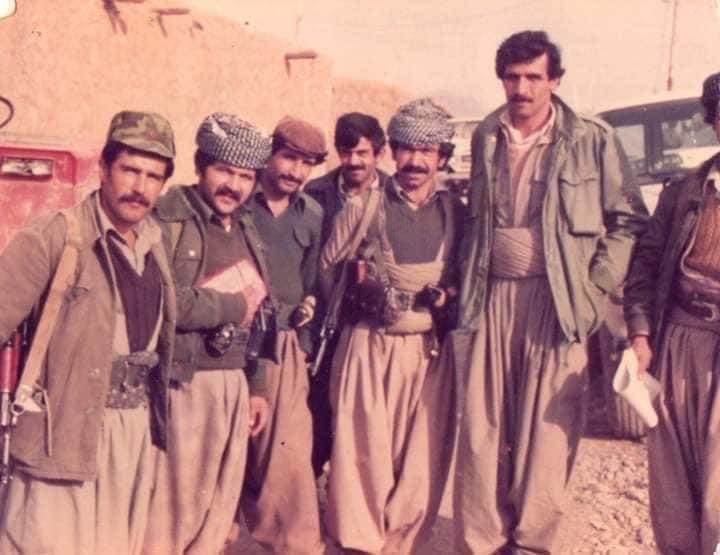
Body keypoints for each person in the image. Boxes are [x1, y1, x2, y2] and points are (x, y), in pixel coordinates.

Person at [453, 30, 647, 553]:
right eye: (512, 77)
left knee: (548, 430)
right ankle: (482, 541)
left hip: (559, 302)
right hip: (493, 297)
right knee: (484, 427)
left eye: (533, 77)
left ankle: (532, 543)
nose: (522, 89)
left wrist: (594, 289)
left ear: (555, 80)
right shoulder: (487, 135)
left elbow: (628, 221)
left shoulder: (591, 138)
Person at [0, 111, 178, 554]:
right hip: (60, 437)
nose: (140, 187)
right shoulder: (57, 236)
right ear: (103, 168)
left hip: (131, 436)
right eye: (130, 170)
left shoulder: (155, 244)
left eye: (153, 176)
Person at [321, 98, 464, 554]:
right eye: (407, 149)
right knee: (362, 458)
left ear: (442, 156)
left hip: (427, 351)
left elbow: (465, 277)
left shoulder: (455, 212)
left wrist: (448, 297)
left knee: (420, 460)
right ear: (393, 152)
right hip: (370, 345)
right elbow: (326, 266)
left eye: (427, 151)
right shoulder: (366, 205)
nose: (416, 161)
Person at [143, 112, 273, 554]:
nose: (233, 185)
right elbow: (161, 299)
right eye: (223, 170)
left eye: (245, 177)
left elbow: (261, 311)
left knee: (215, 511)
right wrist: (230, 306)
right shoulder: (168, 219)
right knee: (170, 513)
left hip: (232, 386)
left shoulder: (247, 226)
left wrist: (257, 386)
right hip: (183, 383)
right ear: (200, 166)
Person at [624, 71, 720, 554]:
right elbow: (645, 264)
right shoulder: (685, 191)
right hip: (680, 338)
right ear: (712, 121)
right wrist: (641, 335)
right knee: (673, 482)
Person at [239, 116, 326, 555]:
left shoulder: (312, 214)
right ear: (271, 154)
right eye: (289, 158)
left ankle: (296, 546)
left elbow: (310, 284)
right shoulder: (239, 201)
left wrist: (303, 347)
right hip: (230, 338)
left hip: (283, 346)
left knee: (288, 459)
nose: (296, 171)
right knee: (226, 455)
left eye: (307, 163)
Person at [304, 111, 391, 477]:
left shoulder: (393, 195)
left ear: (379, 153)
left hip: (369, 324)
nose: (353, 161)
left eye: (362, 153)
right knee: (318, 409)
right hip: (325, 320)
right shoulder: (315, 194)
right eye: (346, 152)